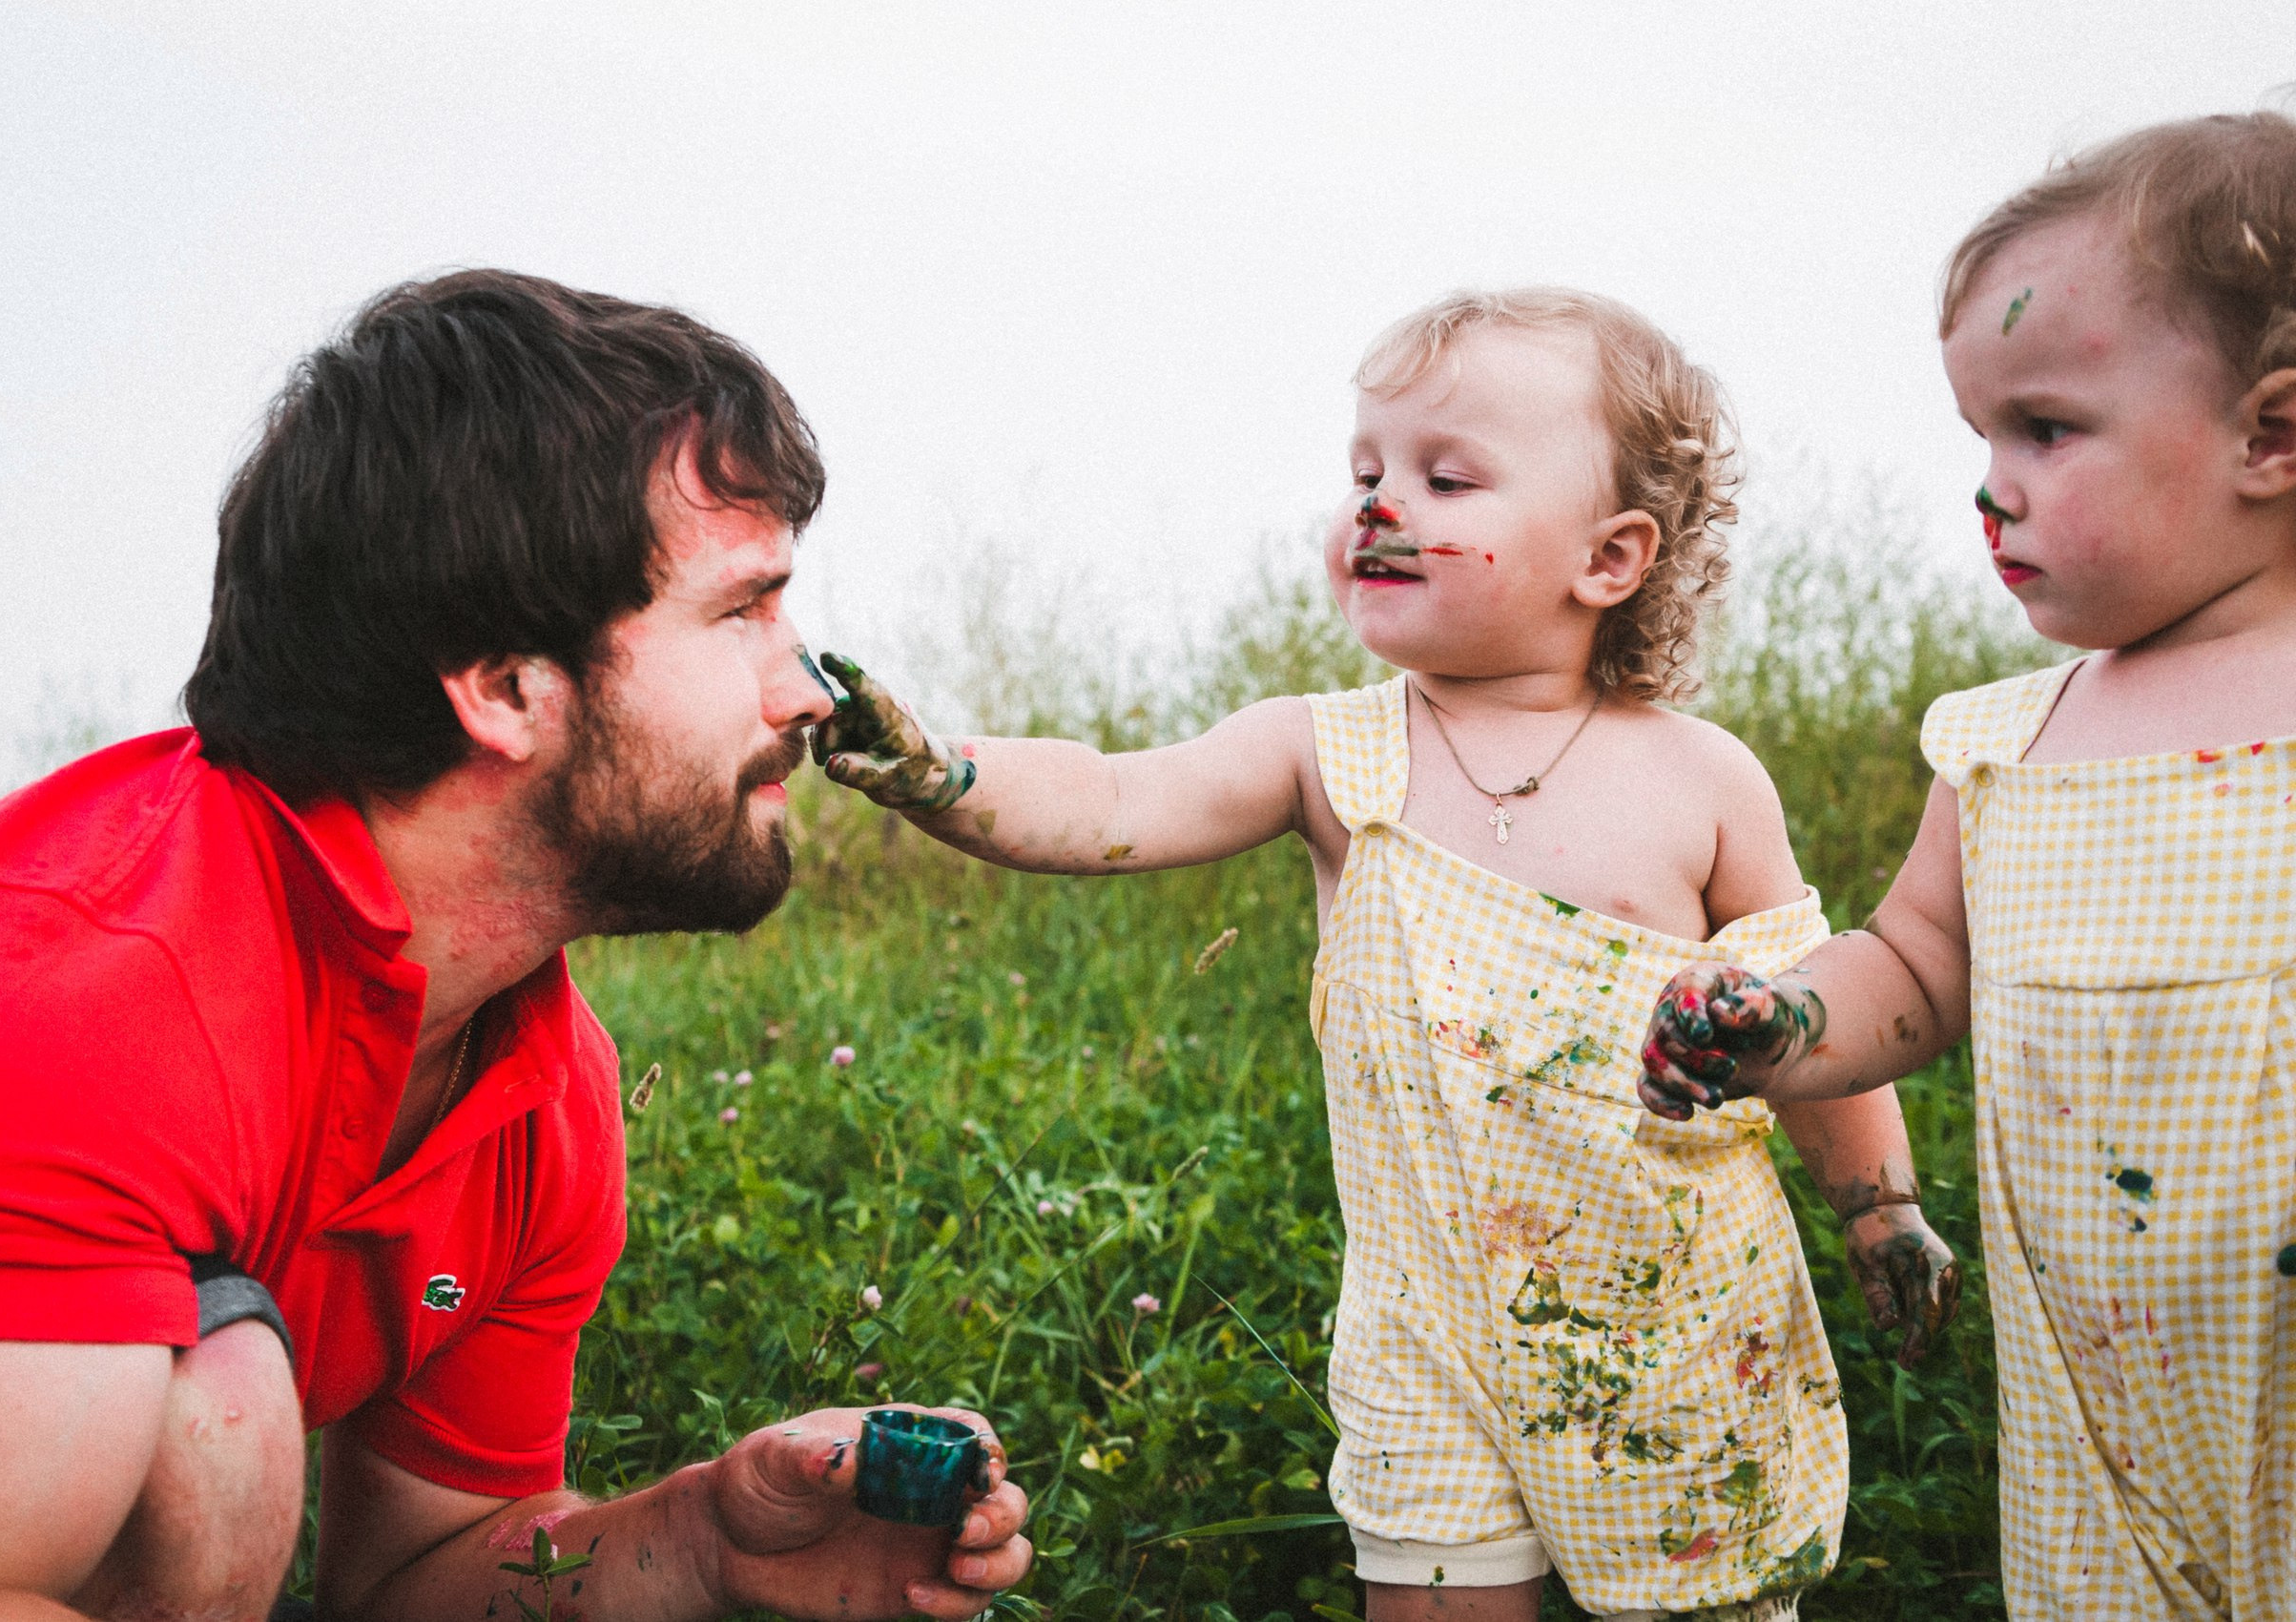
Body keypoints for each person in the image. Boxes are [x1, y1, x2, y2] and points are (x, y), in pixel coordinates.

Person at [0, 270, 1031, 1622]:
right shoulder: (60, 998)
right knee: (216, 1411)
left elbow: (414, 1575)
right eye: (741, 611)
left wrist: (705, 1542)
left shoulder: (534, 1076)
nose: (807, 688)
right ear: (503, 686)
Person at [807, 287, 1959, 1620]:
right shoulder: (1326, 751)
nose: (1378, 502)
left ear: (1612, 556)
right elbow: (1113, 800)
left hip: (1674, 1318)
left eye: (1445, 476)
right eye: (1365, 471)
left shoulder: (1703, 781)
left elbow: (1806, 1014)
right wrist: (944, 774)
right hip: (1427, 1329)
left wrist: (1881, 1208)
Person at [1636, 112, 2296, 1619]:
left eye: (2047, 430)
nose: (1991, 488)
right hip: (2106, 1418)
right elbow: (1920, 966)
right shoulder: (2009, 743)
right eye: (1980, 438)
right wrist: (1781, 1021)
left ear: (2274, 435)